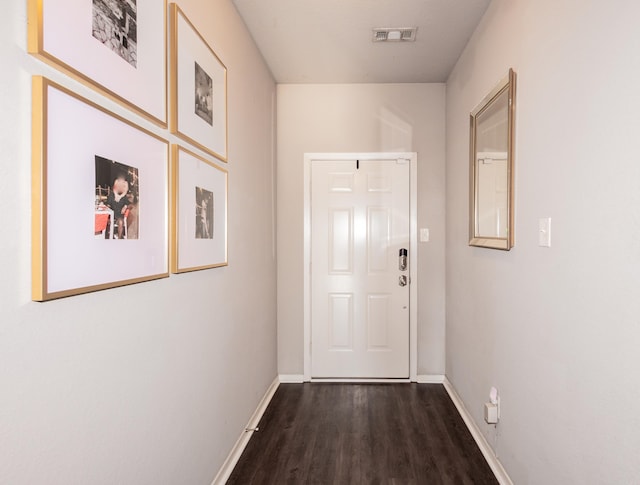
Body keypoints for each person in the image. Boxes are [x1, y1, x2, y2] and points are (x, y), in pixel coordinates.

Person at [105, 175, 130, 239]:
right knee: (106, 219)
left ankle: (119, 238)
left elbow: (130, 205)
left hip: (119, 215)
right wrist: (108, 209)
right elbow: (108, 204)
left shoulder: (124, 196)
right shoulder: (111, 195)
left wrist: (125, 206)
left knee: (121, 222)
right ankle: (108, 234)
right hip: (112, 213)